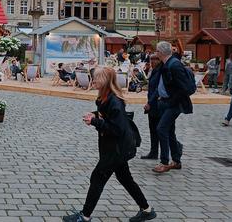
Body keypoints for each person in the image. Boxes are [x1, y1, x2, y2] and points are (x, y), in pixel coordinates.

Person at [63, 67, 156, 222]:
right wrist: (94, 115)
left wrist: (95, 122)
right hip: (114, 148)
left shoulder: (114, 101)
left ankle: (85, 216)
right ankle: (147, 210)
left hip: (116, 149)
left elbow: (116, 129)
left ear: (105, 81)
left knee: (98, 178)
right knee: (125, 179)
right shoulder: (105, 97)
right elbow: (107, 117)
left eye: (97, 78)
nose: (94, 80)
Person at [152, 41, 190, 174]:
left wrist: (171, 101)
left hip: (173, 103)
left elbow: (184, 88)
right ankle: (176, 161)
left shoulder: (174, 65)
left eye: (156, 51)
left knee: (161, 129)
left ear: (161, 52)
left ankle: (164, 162)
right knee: (169, 131)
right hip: (165, 101)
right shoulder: (166, 63)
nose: (155, 53)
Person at [141, 54, 162, 160]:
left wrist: (150, 102)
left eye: (156, 59)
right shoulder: (154, 71)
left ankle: (176, 146)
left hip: (158, 105)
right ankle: (153, 152)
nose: (153, 61)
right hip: (152, 104)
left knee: (160, 129)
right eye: (151, 59)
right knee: (153, 129)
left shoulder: (160, 71)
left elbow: (158, 90)